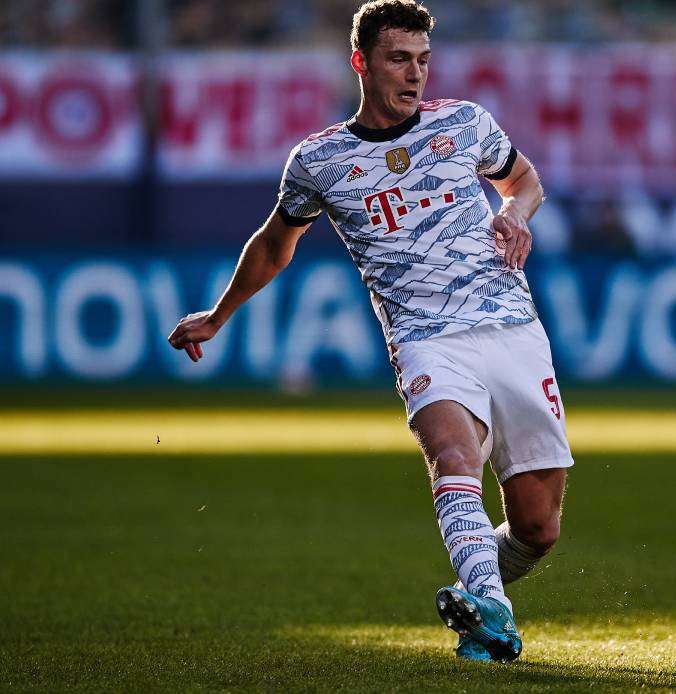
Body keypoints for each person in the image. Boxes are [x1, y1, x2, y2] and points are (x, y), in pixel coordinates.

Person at [166, 0, 572, 663]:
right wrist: (219, 314)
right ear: (360, 62)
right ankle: (492, 608)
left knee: (538, 526)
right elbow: (274, 244)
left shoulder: (465, 123)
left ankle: (480, 595)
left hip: (511, 327)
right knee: (452, 455)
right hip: (425, 339)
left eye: (422, 61)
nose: (414, 76)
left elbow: (523, 181)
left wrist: (517, 213)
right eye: (397, 59)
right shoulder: (320, 160)